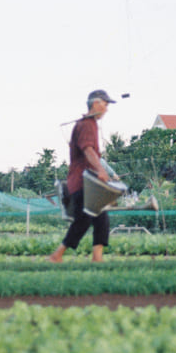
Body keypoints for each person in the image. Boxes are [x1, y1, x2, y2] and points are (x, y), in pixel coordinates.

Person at [48, 89, 119, 263]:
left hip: (89, 182)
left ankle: (97, 259)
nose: (107, 109)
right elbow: (88, 149)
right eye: (105, 104)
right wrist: (101, 171)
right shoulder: (86, 124)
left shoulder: (91, 124)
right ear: (96, 103)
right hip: (83, 182)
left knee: (101, 219)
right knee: (84, 220)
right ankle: (57, 255)